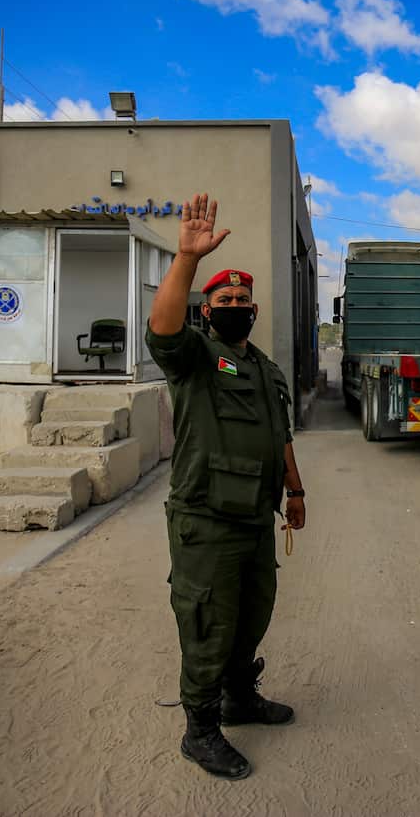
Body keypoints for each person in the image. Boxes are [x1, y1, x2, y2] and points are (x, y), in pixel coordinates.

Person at [146, 193, 306, 781]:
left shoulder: (263, 368)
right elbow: (162, 332)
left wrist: (295, 491)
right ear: (206, 311)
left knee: (251, 616)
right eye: (224, 300)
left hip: (254, 519)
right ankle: (200, 730)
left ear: (254, 309)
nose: (235, 305)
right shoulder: (195, 358)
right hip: (206, 520)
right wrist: (186, 259)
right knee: (208, 623)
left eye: (243, 299)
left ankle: (240, 698)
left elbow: (279, 432)